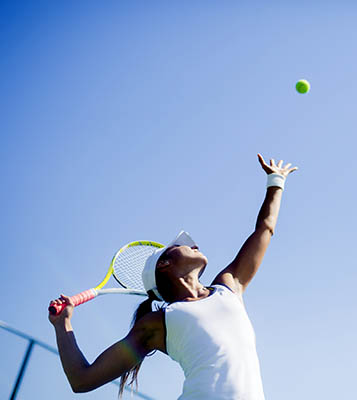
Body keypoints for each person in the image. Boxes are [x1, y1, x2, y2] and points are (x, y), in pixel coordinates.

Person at [48, 154, 298, 399]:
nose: (194, 244)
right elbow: (81, 380)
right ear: (165, 264)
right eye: (181, 245)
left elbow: (265, 229)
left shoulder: (229, 286)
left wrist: (276, 182)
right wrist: (63, 324)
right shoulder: (157, 323)